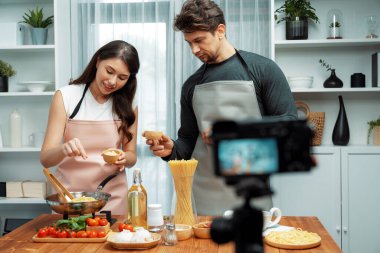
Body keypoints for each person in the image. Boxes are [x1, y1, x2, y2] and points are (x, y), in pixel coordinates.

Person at [144, 0, 297, 215]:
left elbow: (289, 126)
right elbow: (187, 141)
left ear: (220, 31)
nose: (194, 50)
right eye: (189, 43)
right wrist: (171, 149)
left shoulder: (263, 70)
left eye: (199, 40)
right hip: (203, 196)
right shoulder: (191, 85)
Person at [40, 40, 140, 214]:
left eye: (122, 78)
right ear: (97, 61)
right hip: (70, 198)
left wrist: (125, 157)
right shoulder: (66, 96)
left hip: (112, 198)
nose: (112, 81)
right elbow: (46, 159)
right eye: (109, 71)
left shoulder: (129, 105)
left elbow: (132, 156)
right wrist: (63, 149)